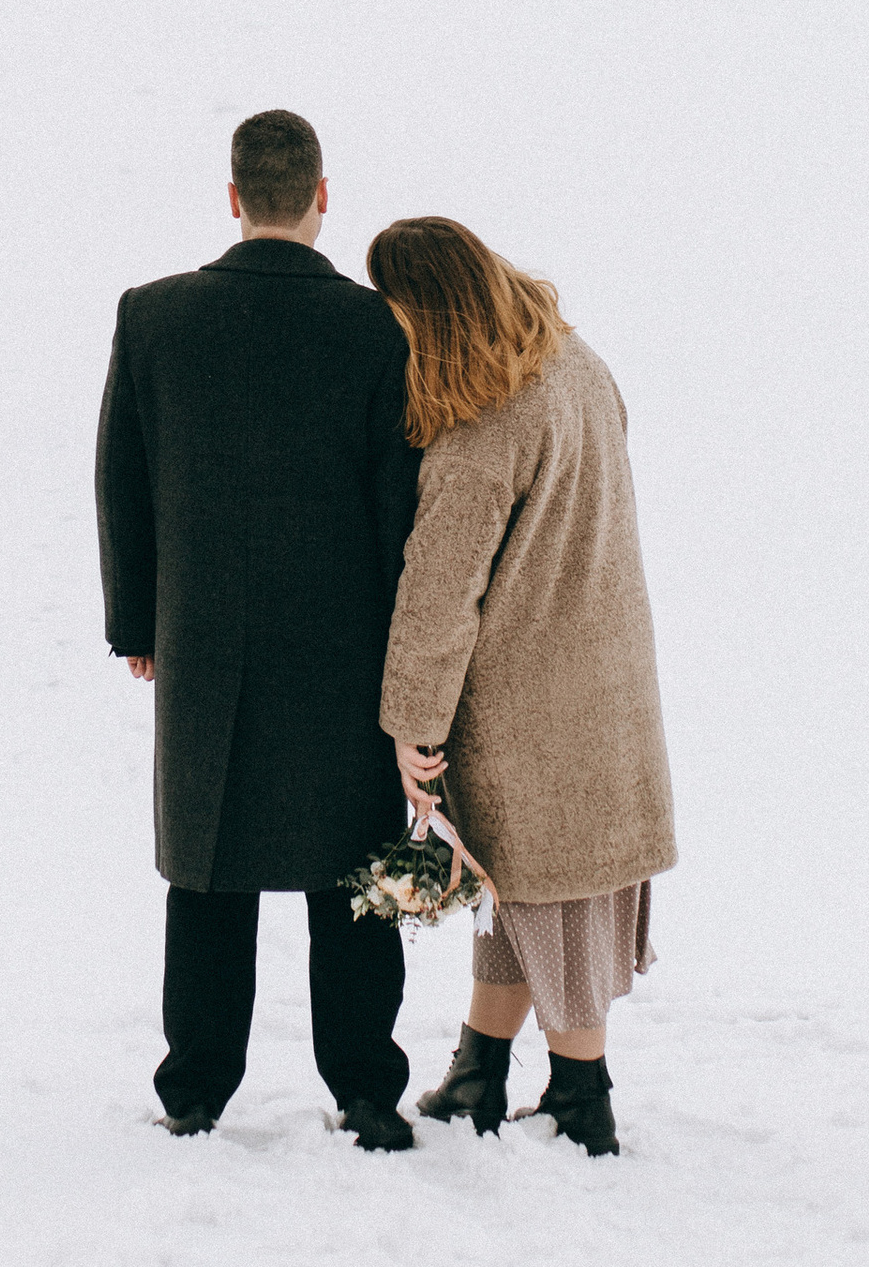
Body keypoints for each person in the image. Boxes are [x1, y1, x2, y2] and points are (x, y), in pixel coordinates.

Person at [95, 108, 423, 1147]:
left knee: (207, 871)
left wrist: (134, 624)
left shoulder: (153, 316)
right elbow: (399, 505)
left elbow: (123, 488)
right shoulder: (381, 327)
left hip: (205, 639)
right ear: (322, 197)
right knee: (354, 880)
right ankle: (368, 1093)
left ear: (233, 198)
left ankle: (194, 1093)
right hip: (349, 645)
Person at [367, 217, 675, 1157]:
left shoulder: (481, 423)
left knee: (556, 898)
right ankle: (479, 1068)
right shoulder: (575, 364)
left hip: (529, 697)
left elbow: (437, 590)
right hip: (605, 678)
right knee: (524, 885)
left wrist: (411, 725)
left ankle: (583, 1093)